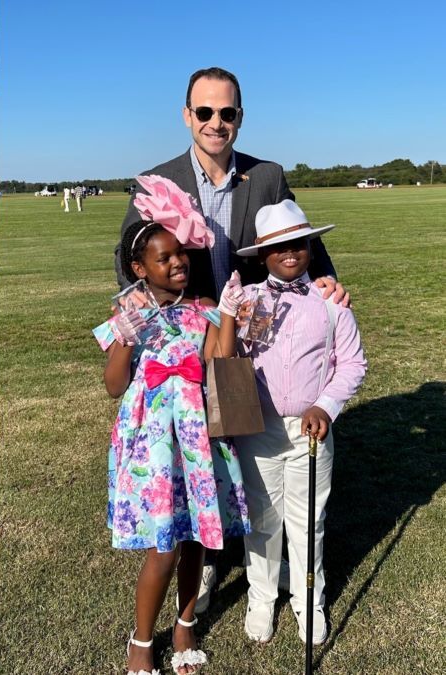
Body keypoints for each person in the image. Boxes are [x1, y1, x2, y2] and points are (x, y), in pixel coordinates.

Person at [116, 66, 349, 612]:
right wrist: (138, 305)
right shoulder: (158, 180)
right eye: (205, 112)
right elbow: (129, 258)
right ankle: (211, 545)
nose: (215, 123)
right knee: (198, 441)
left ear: (240, 117)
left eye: (227, 113)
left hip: (255, 336)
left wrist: (327, 280)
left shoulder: (266, 175)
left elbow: (299, 241)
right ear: (186, 116)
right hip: (190, 337)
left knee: (240, 432)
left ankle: (247, 535)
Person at [93, 177, 249, 675]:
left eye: (181, 254)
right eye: (164, 258)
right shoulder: (128, 312)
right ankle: (141, 640)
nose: (178, 262)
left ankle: (184, 626)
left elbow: (219, 361)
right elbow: (115, 385)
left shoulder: (201, 311)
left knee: (194, 540)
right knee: (163, 545)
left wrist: (226, 314)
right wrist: (126, 334)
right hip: (155, 440)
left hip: (197, 436)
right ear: (139, 269)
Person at [218, 200, 366, 646]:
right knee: (263, 518)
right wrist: (228, 314)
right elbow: (227, 363)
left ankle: (308, 600)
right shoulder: (249, 303)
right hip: (258, 429)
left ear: (309, 246)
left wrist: (325, 405)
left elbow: (352, 364)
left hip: (310, 430)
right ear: (262, 255)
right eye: (279, 246)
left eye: (299, 243)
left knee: (307, 521)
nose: (290, 252)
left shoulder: (330, 300)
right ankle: (261, 595)